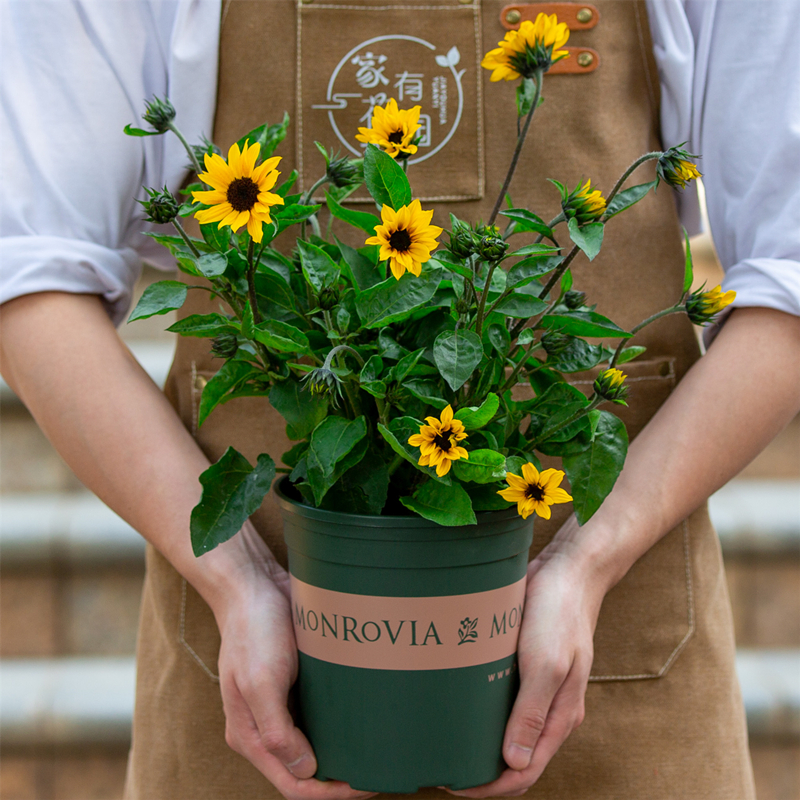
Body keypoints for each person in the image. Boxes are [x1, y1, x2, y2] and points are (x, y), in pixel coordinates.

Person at [1, 1, 799, 798]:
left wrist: (587, 564)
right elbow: (29, 275)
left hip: (624, 662)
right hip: (261, 684)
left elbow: (791, 277)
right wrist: (238, 582)